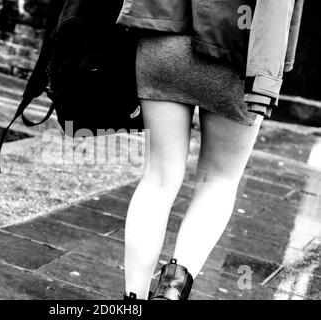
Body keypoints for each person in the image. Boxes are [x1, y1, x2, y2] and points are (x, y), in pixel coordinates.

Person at [117, 0, 304, 300]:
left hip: (164, 38)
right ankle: (171, 292)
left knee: (158, 180)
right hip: (238, 53)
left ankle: (133, 301)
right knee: (218, 181)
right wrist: (268, 77)